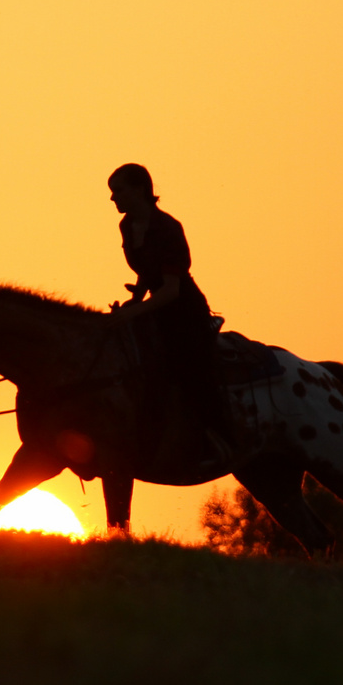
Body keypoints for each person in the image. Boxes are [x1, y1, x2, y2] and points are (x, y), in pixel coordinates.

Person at [105, 163, 229, 462]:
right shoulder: (126, 225)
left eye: (118, 191)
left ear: (139, 190)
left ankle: (217, 439)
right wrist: (136, 295)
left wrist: (136, 312)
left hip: (184, 313)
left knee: (188, 371)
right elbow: (149, 271)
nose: (113, 199)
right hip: (152, 309)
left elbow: (172, 289)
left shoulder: (168, 228)